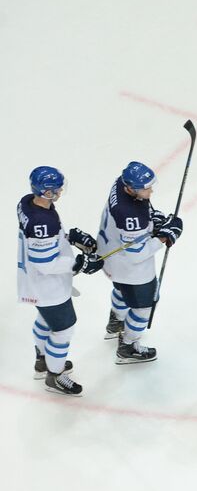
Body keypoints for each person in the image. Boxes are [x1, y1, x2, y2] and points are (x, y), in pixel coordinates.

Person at [17, 167, 99, 396]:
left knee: (45, 319)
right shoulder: (41, 222)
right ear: (45, 192)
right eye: (55, 190)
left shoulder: (26, 203)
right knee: (64, 328)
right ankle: (55, 375)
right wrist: (78, 265)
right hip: (48, 288)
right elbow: (45, 263)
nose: (60, 192)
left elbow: (43, 241)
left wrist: (67, 237)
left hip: (35, 283)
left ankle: (43, 360)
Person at [98, 161, 183, 364]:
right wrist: (165, 236)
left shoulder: (121, 183)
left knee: (120, 290)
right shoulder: (129, 216)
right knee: (145, 304)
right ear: (131, 188)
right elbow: (137, 254)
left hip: (109, 255)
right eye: (146, 188)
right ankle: (128, 346)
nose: (151, 190)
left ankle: (116, 322)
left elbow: (143, 208)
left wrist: (154, 219)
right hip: (130, 269)